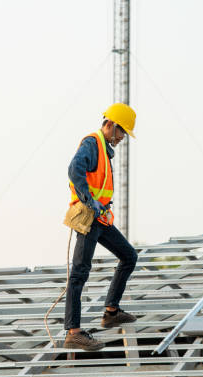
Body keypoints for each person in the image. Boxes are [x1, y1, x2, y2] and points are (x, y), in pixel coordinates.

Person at [63, 103, 139, 351]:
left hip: (101, 219)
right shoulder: (92, 143)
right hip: (89, 216)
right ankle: (73, 332)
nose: (121, 139)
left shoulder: (103, 149)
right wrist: (88, 199)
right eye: (121, 133)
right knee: (79, 273)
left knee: (129, 256)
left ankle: (111, 311)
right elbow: (75, 170)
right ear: (111, 125)